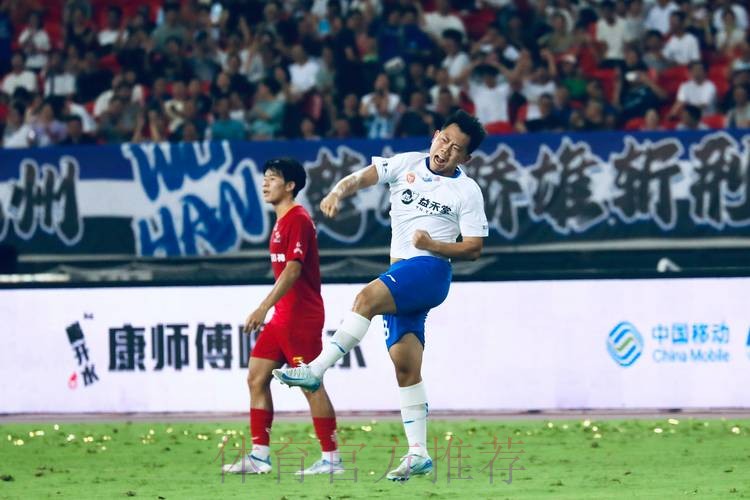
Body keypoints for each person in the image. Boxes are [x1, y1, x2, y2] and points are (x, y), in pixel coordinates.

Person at [273, 110, 489, 481]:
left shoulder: (466, 191)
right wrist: (338, 191)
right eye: (444, 140)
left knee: (365, 299)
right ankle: (418, 453)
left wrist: (433, 244)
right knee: (405, 366)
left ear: (466, 159)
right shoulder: (406, 164)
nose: (445, 150)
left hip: (430, 270)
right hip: (402, 276)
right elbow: (362, 177)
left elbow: (473, 248)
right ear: (435, 135)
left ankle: (315, 370)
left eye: (456, 149)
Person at [223, 158, 342, 476]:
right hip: (282, 317)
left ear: (290, 186)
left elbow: (293, 270)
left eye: (273, 178)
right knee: (256, 378)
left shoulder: (298, 219)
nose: (265, 183)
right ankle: (259, 456)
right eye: (265, 178)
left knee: (310, 384)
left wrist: (262, 307)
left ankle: (331, 459)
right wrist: (271, 310)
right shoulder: (281, 221)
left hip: (300, 316)